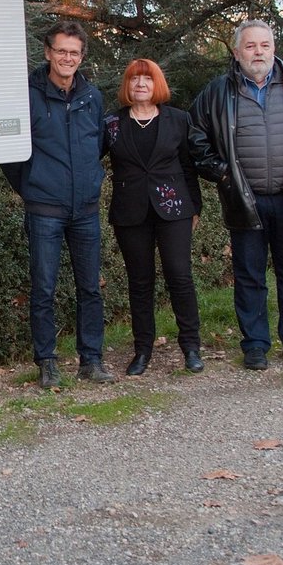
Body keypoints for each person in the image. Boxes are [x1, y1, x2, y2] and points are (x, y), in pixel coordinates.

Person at [188, 19, 283, 371]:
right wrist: (221, 173)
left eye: (264, 45)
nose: (258, 52)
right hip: (244, 198)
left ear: (274, 49)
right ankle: (255, 345)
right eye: (250, 46)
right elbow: (195, 135)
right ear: (237, 52)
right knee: (250, 275)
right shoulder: (217, 92)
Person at [2, 20, 111, 387]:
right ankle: (47, 362)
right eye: (61, 51)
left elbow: (97, 147)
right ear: (48, 52)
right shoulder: (27, 95)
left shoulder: (92, 97)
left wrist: (89, 182)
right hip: (44, 208)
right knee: (44, 287)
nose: (68, 58)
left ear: (81, 57)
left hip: (85, 209)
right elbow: (12, 154)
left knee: (90, 287)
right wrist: (33, 187)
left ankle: (91, 360)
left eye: (74, 52)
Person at [104, 59, 204, 375]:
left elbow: (190, 167)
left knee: (180, 275)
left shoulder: (179, 119)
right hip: (130, 212)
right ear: (127, 86)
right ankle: (142, 350)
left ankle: (191, 346)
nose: (141, 84)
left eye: (148, 79)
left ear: (157, 84)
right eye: (135, 79)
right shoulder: (112, 124)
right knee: (140, 281)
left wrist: (195, 207)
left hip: (174, 208)